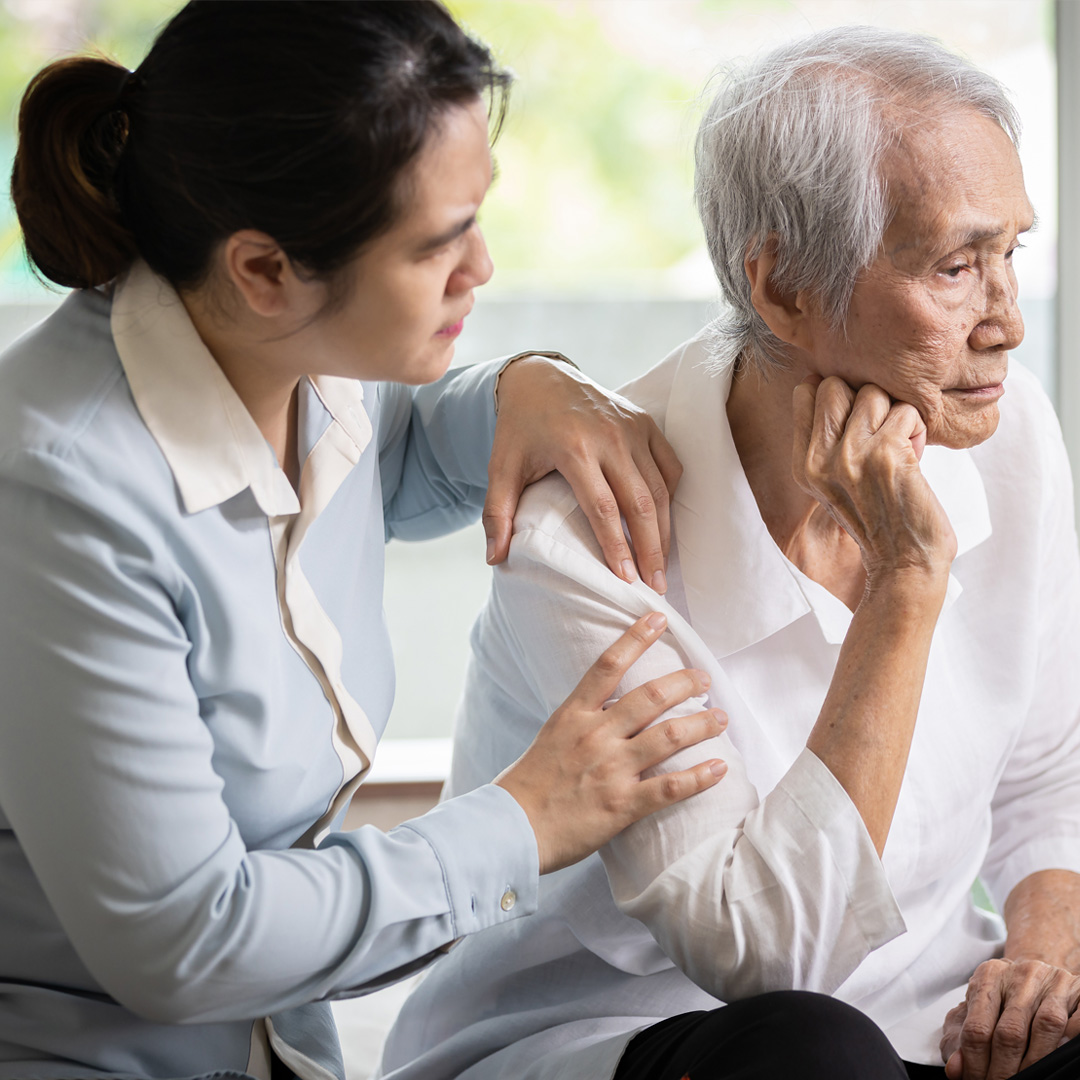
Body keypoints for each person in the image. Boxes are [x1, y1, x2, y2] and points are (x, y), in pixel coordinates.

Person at [0, 3, 734, 1078]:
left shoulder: (297, 357)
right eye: (439, 244)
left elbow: (398, 454)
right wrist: (527, 820)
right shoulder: (59, 498)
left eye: (478, 217)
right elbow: (186, 939)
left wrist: (525, 389)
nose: (480, 267)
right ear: (263, 271)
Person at [380, 26, 1080, 1080]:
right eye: (954, 266)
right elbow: (765, 956)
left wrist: (1042, 945)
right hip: (633, 1034)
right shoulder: (584, 541)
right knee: (811, 1054)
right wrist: (905, 587)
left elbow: (1046, 768)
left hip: (926, 1014)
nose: (1006, 323)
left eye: (1010, 253)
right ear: (785, 288)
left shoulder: (1007, 424)